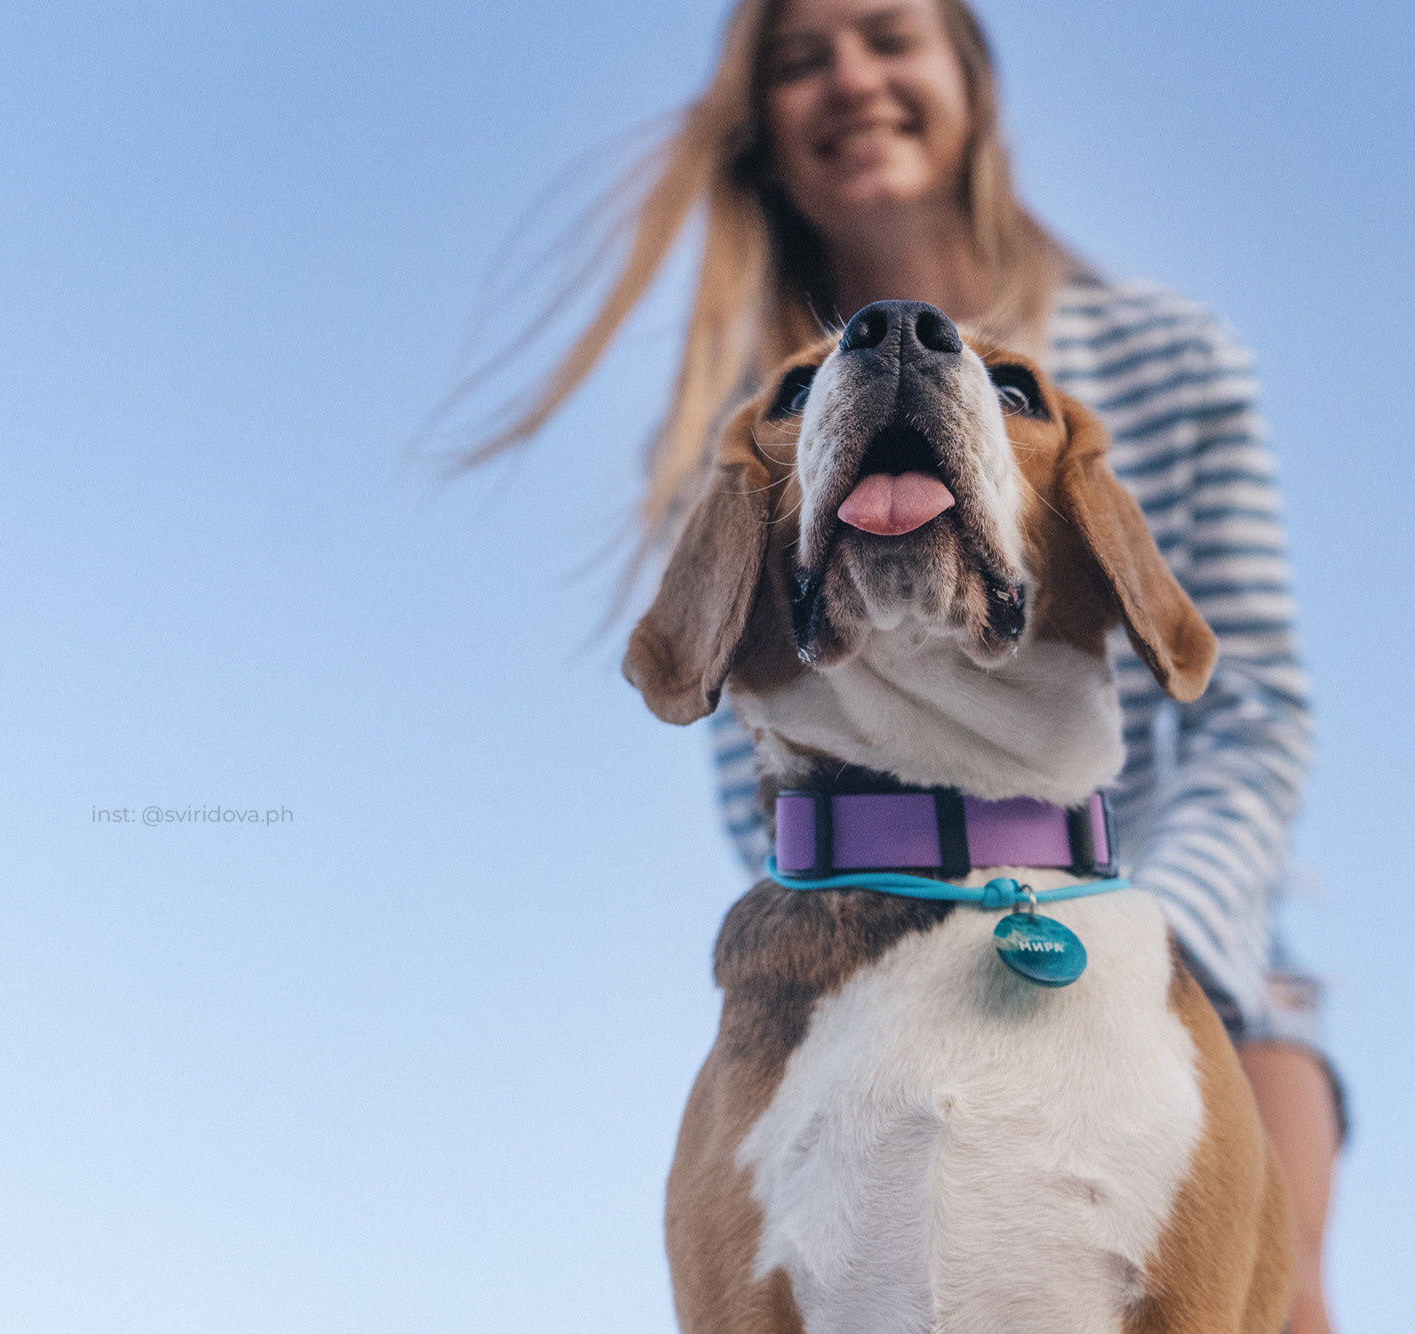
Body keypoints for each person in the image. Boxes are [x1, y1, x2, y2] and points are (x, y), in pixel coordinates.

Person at [478, 1, 1344, 1327]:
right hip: (856, 921)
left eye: (888, 36)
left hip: (1192, 931)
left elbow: (1252, 711)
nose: (851, 79)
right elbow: (749, 780)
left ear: (972, 83)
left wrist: (1153, 956)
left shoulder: (1170, 356)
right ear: (764, 122)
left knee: (1294, 1293)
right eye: (801, 59)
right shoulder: (744, 437)